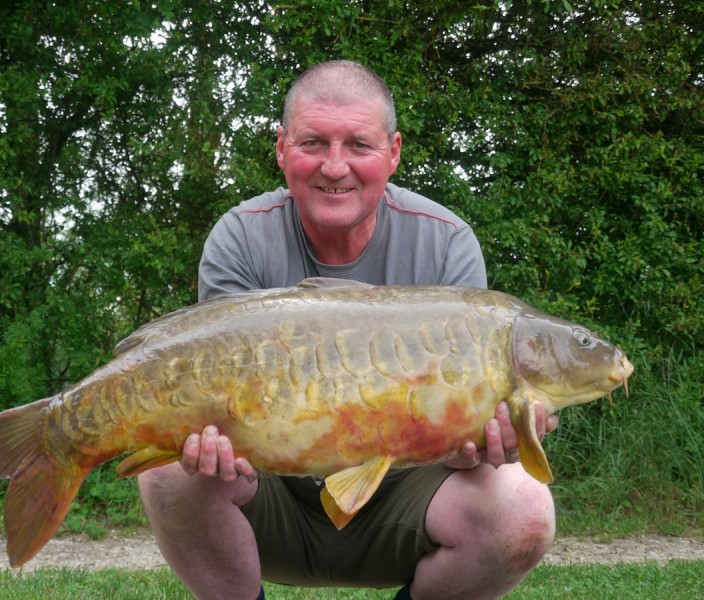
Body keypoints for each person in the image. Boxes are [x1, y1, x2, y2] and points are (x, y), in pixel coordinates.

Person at [138, 60, 557, 600]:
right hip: (269, 494)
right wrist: (208, 440)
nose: (335, 167)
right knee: (169, 473)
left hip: (406, 501)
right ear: (282, 148)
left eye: (358, 145)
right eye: (314, 142)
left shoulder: (447, 244)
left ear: (394, 152)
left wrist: (477, 443)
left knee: (523, 507)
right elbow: (220, 407)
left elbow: (457, 452)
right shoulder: (240, 238)